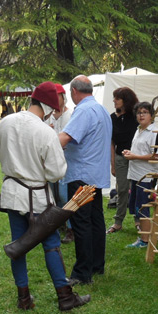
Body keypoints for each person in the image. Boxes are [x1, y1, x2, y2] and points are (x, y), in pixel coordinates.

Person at [0, 81, 90, 312]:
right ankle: (65, 297)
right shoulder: (46, 132)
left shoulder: (6, 122)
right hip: (36, 198)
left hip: (13, 195)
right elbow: (56, 173)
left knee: (19, 245)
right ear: (46, 107)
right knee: (51, 245)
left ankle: (24, 298)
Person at [58, 75, 112, 285]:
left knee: (81, 222)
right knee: (95, 220)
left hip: (81, 176)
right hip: (95, 175)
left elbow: (65, 137)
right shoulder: (101, 110)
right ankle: (97, 265)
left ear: (74, 91)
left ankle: (82, 273)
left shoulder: (83, 110)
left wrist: (43, 143)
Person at [123, 101, 158, 248]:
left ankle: (145, 240)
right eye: (139, 113)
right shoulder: (138, 130)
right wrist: (130, 153)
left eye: (145, 112)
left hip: (147, 176)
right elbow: (140, 151)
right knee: (137, 207)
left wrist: (135, 157)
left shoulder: (155, 132)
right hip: (135, 174)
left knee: (143, 207)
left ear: (151, 115)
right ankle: (144, 236)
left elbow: (157, 156)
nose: (141, 115)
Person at [107, 87, 139, 234]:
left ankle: (139, 220)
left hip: (136, 158)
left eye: (117, 98)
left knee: (137, 190)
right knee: (121, 190)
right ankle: (118, 222)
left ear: (126, 100)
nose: (114, 101)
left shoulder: (136, 116)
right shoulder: (112, 118)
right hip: (120, 158)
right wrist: (113, 164)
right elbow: (112, 143)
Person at [47, 83, 74, 243]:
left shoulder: (70, 115)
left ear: (63, 97)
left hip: (66, 160)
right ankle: (59, 223)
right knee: (52, 194)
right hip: (51, 160)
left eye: (57, 96)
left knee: (65, 196)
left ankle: (71, 228)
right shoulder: (49, 116)